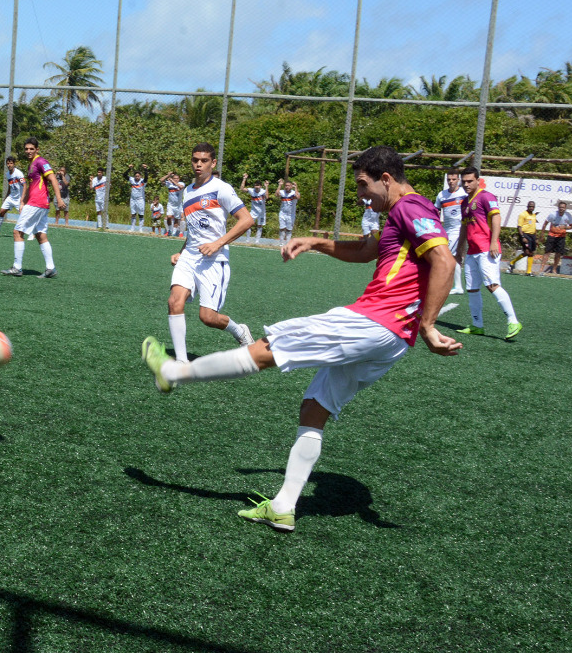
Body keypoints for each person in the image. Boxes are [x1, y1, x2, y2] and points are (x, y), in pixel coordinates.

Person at [141, 145, 461, 532]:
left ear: (387, 179)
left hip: (373, 322)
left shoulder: (411, 207)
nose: (361, 195)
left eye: (363, 185)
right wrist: (314, 242)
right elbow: (366, 250)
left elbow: (445, 260)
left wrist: (428, 324)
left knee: (266, 351)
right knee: (315, 407)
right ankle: (283, 506)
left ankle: (175, 373)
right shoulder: (398, 214)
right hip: (391, 339)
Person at [163, 143, 255, 364]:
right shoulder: (187, 192)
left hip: (214, 259)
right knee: (175, 301)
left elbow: (247, 220)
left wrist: (217, 244)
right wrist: (182, 251)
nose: (199, 164)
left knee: (208, 317)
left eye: (204, 161)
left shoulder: (221, 188)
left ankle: (239, 330)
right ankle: (182, 362)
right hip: (189, 257)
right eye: (195, 160)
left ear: (213, 163)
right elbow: (194, 230)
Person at [455, 166, 521, 339]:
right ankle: (477, 325)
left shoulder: (486, 197)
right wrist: (459, 249)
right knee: (472, 288)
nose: (466, 184)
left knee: (492, 285)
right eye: (464, 182)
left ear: (478, 180)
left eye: (470, 181)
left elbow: (497, 219)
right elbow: (464, 227)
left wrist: (493, 242)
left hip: (487, 249)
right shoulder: (464, 202)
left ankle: (513, 321)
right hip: (472, 252)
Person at [2, 138, 62, 278]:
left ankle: (17, 268)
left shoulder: (41, 162)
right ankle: (50, 268)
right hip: (38, 204)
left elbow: (53, 179)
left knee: (17, 232)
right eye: (26, 149)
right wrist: (23, 201)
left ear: (37, 149)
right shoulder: (31, 165)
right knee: (41, 235)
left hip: (37, 203)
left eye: (31, 148)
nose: (28, 151)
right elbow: (30, 186)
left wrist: (59, 199)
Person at [434, 170, 467, 294]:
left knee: (447, 255)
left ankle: (443, 284)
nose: (451, 182)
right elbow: (436, 211)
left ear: (458, 180)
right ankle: (458, 286)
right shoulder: (442, 195)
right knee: (455, 257)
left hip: (459, 229)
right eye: (449, 179)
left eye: (453, 179)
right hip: (446, 229)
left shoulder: (464, 193)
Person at [0, 156, 24, 237]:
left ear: (14, 164)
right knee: (1, 212)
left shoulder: (19, 174)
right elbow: (10, 186)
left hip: (18, 199)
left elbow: (25, 186)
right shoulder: (7, 174)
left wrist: (22, 199)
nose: (9, 165)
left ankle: (32, 232)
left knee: (23, 215)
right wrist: (6, 197)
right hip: (11, 197)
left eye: (11, 163)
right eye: (8, 163)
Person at [540, 201, 572, 275]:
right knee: (547, 252)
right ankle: (541, 268)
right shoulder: (553, 214)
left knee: (558, 253)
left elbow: (571, 226)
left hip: (561, 236)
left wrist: (565, 227)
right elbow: (545, 224)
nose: (561, 209)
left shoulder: (568, 215)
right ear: (558, 207)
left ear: (565, 208)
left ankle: (554, 269)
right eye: (560, 207)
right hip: (552, 235)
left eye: (563, 207)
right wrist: (542, 234)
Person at [510, 200, 539, 275]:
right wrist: (522, 236)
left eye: (532, 206)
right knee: (528, 252)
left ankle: (512, 263)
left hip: (532, 236)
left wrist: (536, 238)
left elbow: (534, 227)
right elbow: (519, 227)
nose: (531, 208)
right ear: (527, 206)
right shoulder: (523, 214)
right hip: (525, 235)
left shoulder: (533, 215)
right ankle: (528, 271)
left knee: (530, 252)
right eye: (530, 206)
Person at [241, 173, 269, 241]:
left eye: (258, 185)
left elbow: (267, 197)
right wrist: (244, 179)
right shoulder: (251, 190)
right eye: (255, 185)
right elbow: (242, 189)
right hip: (253, 212)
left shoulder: (263, 191)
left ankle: (257, 241)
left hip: (261, 212)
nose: (256, 187)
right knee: (248, 224)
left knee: (259, 226)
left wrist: (267, 186)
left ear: (260, 186)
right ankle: (247, 240)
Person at [161, 171, 185, 238]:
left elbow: (181, 187)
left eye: (177, 178)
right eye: (174, 178)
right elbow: (161, 180)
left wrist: (173, 181)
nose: (176, 179)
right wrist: (168, 175)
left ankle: (174, 233)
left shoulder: (181, 183)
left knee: (177, 220)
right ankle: (169, 230)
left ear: (179, 179)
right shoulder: (169, 184)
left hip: (178, 205)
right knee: (169, 217)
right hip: (171, 204)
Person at [127, 164, 148, 233]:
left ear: (140, 176)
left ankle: (140, 229)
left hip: (140, 199)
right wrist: (129, 169)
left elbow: (146, 178)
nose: (137, 177)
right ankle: (132, 228)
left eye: (138, 176)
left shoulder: (142, 181)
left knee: (141, 214)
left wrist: (145, 169)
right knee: (133, 213)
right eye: (136, 176)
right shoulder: (132, 180)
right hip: (133, 199)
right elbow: (124, 175)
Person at [276, 180, 299, 245]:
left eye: (288, 185)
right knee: (282, 228)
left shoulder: (294, 193)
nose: (287, 187)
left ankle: (288, 243)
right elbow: (277, 194)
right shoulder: (282, 192)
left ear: (291, 186)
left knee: (289, 229)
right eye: (286, 185)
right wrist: (280, 185)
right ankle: (281, 243)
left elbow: (298, 197)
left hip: (291, 215)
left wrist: (296, 187)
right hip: (282, 213)